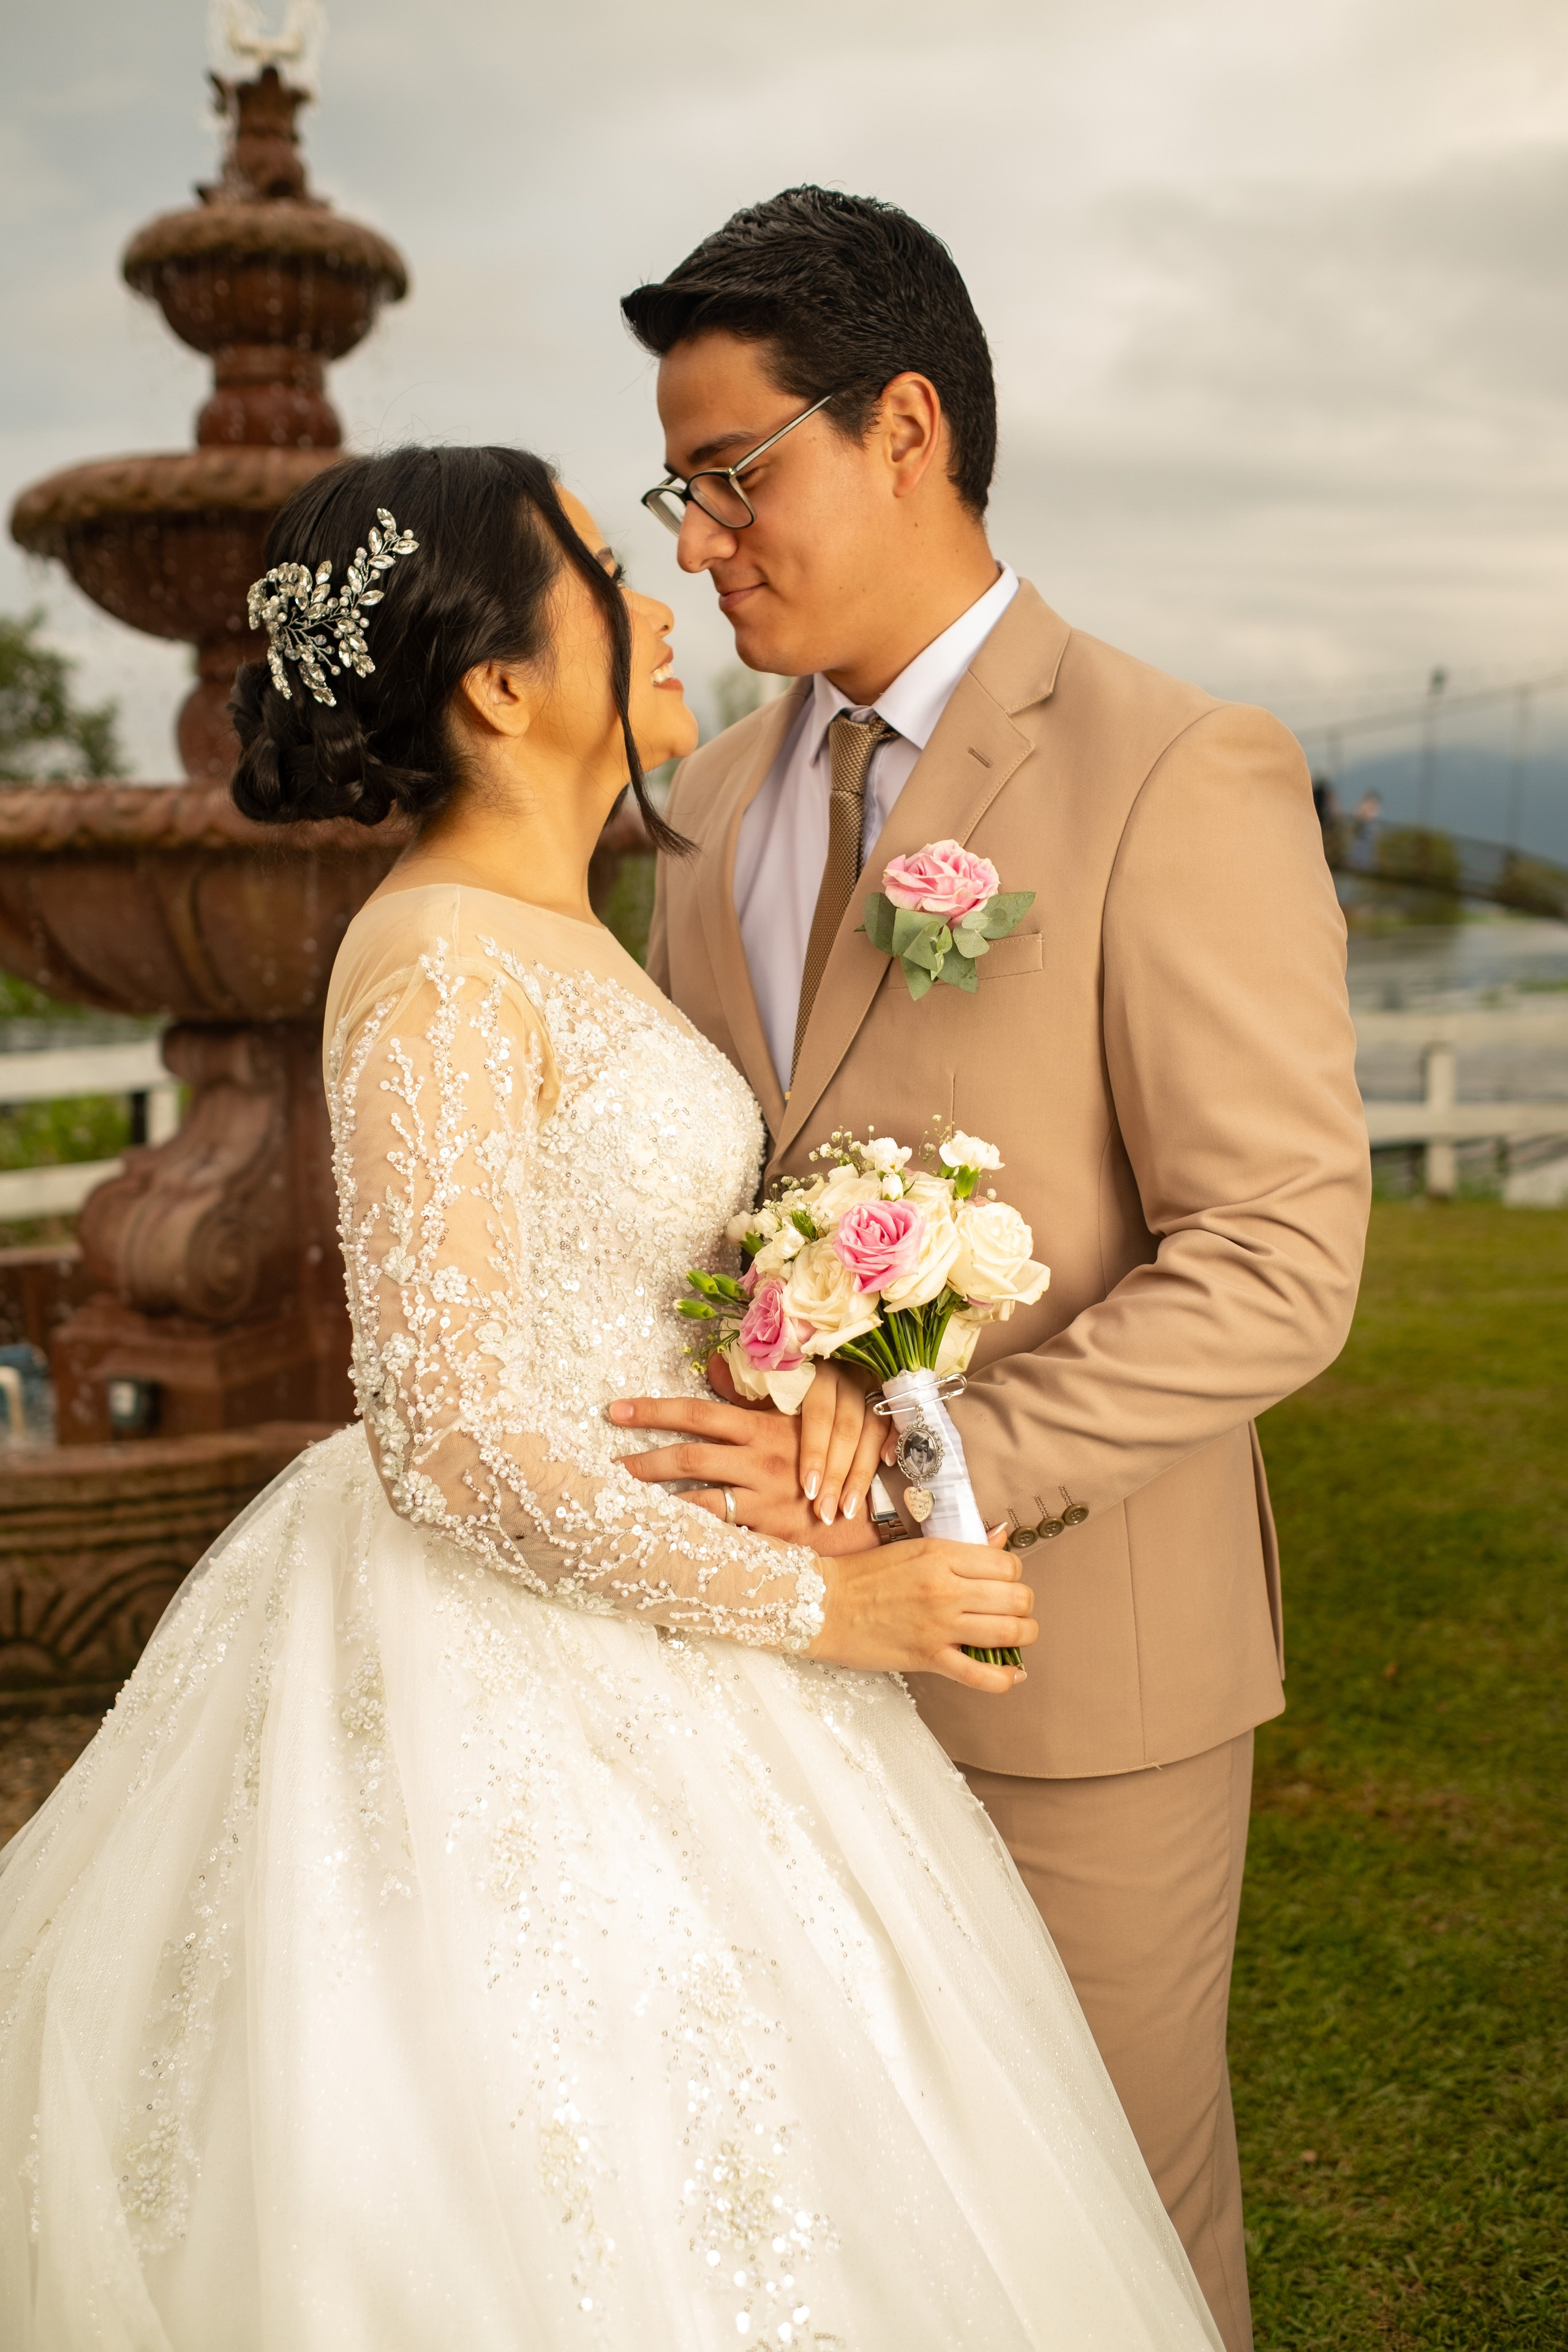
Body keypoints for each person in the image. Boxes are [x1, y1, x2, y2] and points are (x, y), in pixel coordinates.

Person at [0, 443, 1224, 2350]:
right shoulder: (433, 964)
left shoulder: (564, 931)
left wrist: (814, 1358)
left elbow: (606, 1296)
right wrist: (835, 1606)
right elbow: (452, 1440)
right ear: (498, 682)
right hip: (512, 1661)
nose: (661, 595)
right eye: (601, 564)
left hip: (655, 1605)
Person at [612, 188, 1371, 2352]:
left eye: (732, 474)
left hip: (1078, 1688)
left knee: (1107, 2244)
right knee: (844, 2234)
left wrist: (935, 1460)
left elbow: (1280, 1255)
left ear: (908, 428)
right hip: (767, 1670)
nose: (695, 540)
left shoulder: (1171, 765)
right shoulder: (707, 812)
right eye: (679, 489)